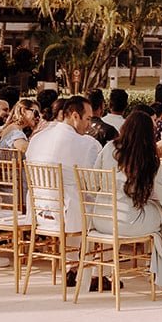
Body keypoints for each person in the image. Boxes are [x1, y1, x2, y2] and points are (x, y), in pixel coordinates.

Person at [94, 110, 162, 293]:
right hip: (126, 222)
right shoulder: (148, 159)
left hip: (100, 219)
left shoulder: (109, 148)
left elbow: (95, 180)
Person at [25, 95, 101, 276]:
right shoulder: (88, 144)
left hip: (38, 212)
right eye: (88, 119)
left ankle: (73, 265)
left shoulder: (37, 138)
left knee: (77, 198)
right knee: (98, 204)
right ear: (75, 116)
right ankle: (94, 272)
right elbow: (94, 184)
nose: (90, 125)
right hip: (69, 215)